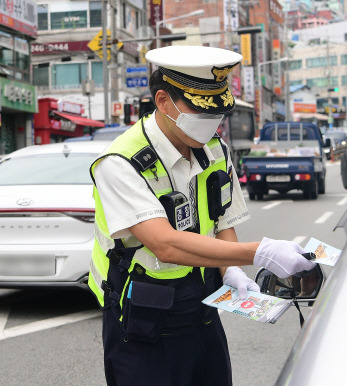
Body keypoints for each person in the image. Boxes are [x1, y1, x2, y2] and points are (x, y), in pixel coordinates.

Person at [87, 45, 316, 386]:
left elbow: (222, 220)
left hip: (203, 310)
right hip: (143, 317)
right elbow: (164, 245)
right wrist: (259, 253)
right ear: (163, 101)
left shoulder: (215, 150)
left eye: (218, 114)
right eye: (202, 112)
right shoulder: (121, 162)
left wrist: (231, 270)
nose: (212, 123)